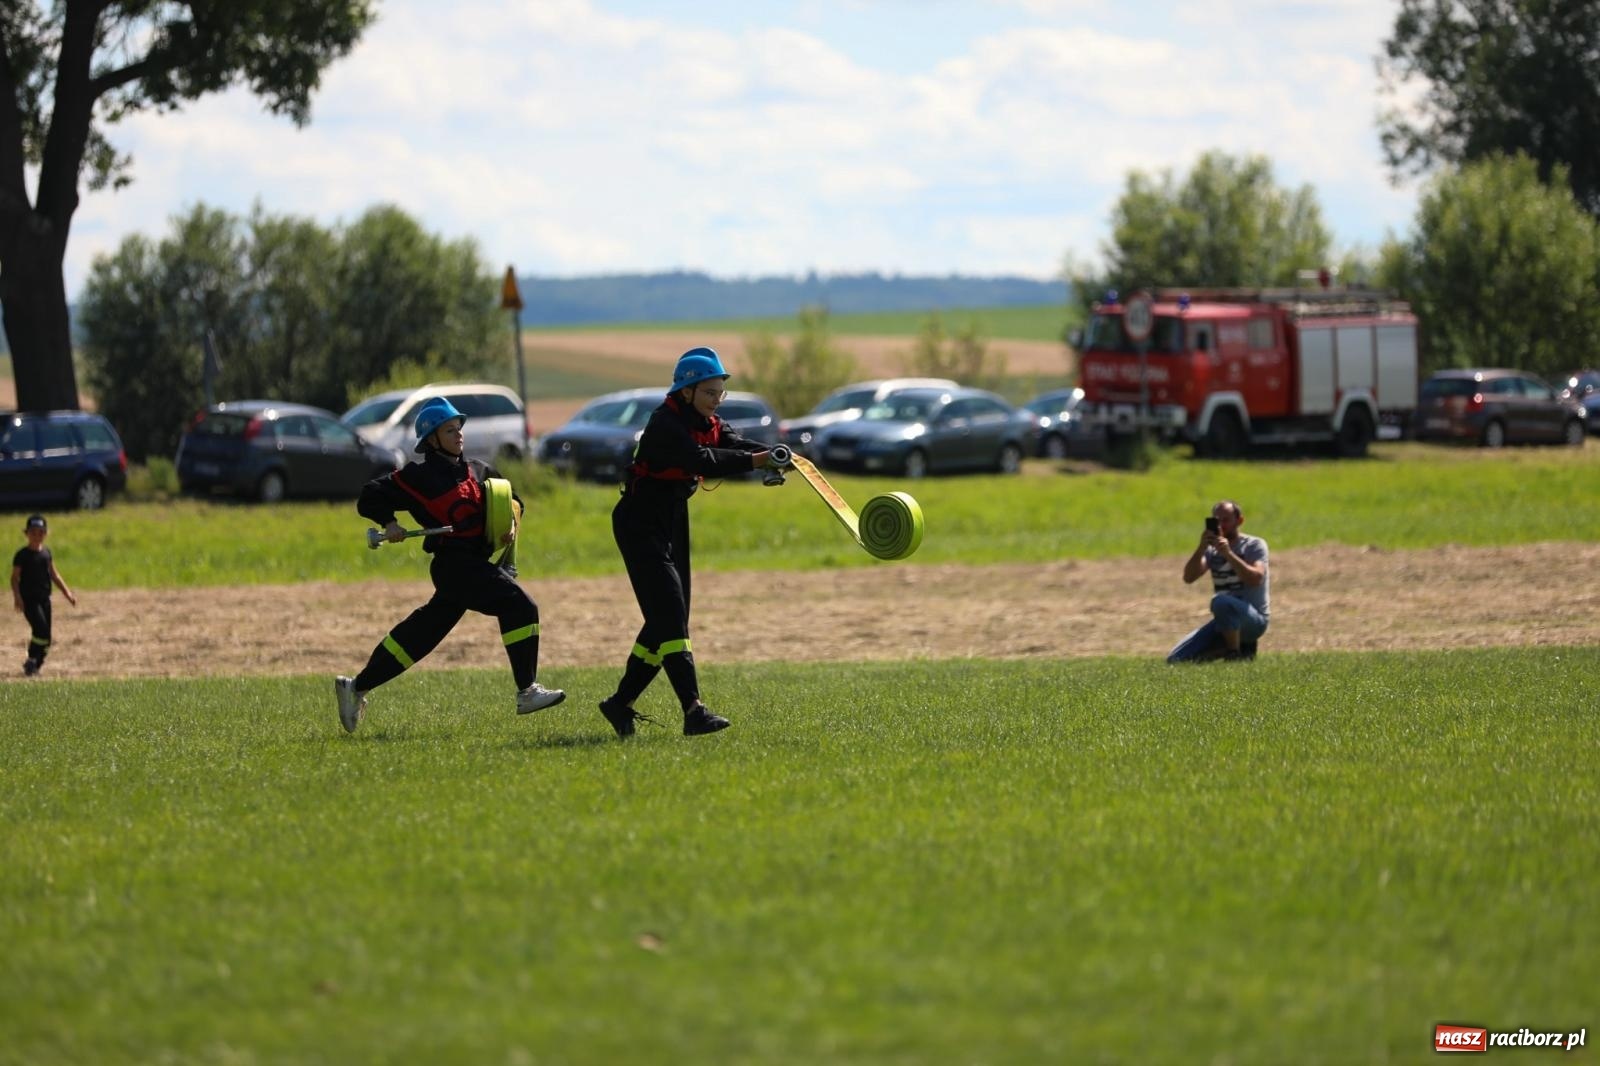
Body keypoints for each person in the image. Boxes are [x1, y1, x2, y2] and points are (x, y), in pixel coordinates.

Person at [334, 397, 564, 732]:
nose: (458, 435)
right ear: (431, 439)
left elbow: (514, 500)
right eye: (449, 430)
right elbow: (370, 496)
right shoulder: (418, 477)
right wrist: (389, 523)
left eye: (459, 429)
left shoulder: (479, 469)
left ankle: (355, 687)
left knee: (421, 635)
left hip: (475, 564)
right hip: (454, 566)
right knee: (520, 606)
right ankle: (527, 690)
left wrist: (512, 521)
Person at [597, 347, 773, 738]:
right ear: (687, 391)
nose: (716, 401)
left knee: (666, 621)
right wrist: (758, 462)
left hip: (674, 521)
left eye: (719, 393)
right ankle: (693, 710)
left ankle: (619, 704)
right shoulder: (665, 424)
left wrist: (775, 455)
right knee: (671, 616)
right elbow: (703, 461)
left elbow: (735, 443)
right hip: (640, 523)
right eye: (710, 393)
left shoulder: (705, 419)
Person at [1167, 499, 1269, 663]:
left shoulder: (1254, 545)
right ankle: (1230, 650)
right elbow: (1189, 577)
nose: (1221, 525)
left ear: (1240, 521)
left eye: (1226, 520)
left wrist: (1228, 554)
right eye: (1216, 520)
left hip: (1253, 620)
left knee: (1220, 601)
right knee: (1175, 659)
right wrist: (1201, 548)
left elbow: (1256, 579)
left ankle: (1234, 654)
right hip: (1224, 621)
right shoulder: (1211, 550)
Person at [12, 514, 77, 676]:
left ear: (45, 534)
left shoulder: (46, 554)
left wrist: (67, 593)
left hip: (44, 600)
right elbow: (14, 579)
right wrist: (17, 597)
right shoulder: (22, 555)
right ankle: (32, 660)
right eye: (33, 532)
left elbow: (55, 575)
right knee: (40, 630)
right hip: (29, 601)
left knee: (47, 638)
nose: (37, 536)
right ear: (26, 534)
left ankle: (35, 665)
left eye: (40, 532)